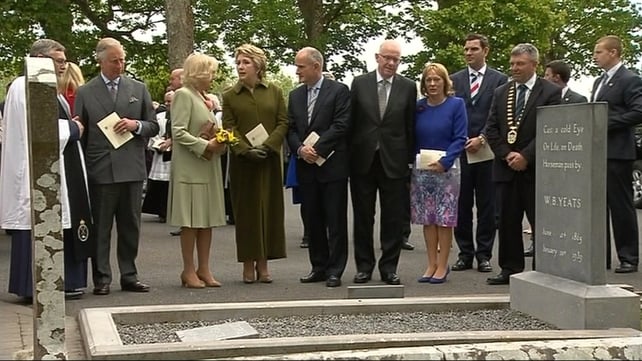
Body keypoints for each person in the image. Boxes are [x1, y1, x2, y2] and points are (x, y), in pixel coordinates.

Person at [0, 39, 92, 300]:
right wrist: (75, 129)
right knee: (40, 223)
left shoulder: (50, 87)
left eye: (64, 61)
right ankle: (37, 285)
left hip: (61, 167)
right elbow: (40, 129)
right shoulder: (27, 85)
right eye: (58, 60)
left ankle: (64, 282)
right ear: (39, 59)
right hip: (38, 171)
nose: (64, 66)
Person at [74, 37, 159, 295]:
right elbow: (81, 133)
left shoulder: (138, 88)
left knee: (130, 224)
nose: (119, 65)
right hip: (101, 168)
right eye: (114, 61)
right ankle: (101, 278)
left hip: (131, 167)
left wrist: (136, 126)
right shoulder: (85, 92)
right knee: (101, 227)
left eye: (122, 59)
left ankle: (129, 275)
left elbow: (153, 125)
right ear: (100, 61)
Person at [485, 43, 562, 285]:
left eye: (520, 64)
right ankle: (509, 268)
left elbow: (551, 130)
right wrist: (507, 154)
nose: (514, 68)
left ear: (534, 65)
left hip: (536, 170)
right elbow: (492, 128)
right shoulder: (501, 92)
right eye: (512, 63)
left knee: (540, 221)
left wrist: (526, 156)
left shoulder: (550, 92)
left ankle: (543, 269)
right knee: (506, 221)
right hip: (506, 168)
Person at [349, 39, 417, 285]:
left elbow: (410, 127)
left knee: (393, 219)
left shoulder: (408, 87)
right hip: (363, 162)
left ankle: (389, 268)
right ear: (377, 57)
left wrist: (410, 163)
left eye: (395, 59)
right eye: (387, 58)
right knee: (363, 218)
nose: (390, 63)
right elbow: (351, 123)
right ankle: (364, 267)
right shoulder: (359, 83)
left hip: (395, 163)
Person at [222, 43, 288, 284]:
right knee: (247, 213)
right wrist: (244, 150)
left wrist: (268, 146)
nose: (240, 66)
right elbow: (228, 128)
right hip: (243, 162)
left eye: (245, 62)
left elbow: (283, 122)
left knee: (269, 211)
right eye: (238, 62)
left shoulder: (274, 91)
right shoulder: (229, 95)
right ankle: (248, 264)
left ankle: (264, 264)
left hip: (269, 160)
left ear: (258, 65)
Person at [287, 47, 351, 288]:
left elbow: (341, 124)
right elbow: (290, 128)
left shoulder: (339, 91)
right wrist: (301, 150)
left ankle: (336, 269)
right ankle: (318, 266)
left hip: (332, 166)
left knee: (335, 220)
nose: (297, 71)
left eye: (301, 67)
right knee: (312, 219)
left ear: (316, 66)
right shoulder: (295, 96)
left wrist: (318, 149)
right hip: (307, 167)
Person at [519, 59, 589, 258]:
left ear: (556, 77)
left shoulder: (578, 99)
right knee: (540, 207)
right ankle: (538, 241)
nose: (544, 78)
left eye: (547, 75)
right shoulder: (539, 96)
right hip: (543, 161)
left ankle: (568, 244)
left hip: (567, 163)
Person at [167, 53, 226, 289]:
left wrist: (219, 139)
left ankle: (204, 268)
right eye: (210, 72)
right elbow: (178, 132)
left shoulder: (204, 98)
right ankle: (188, 270)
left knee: (206, 220)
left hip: (207, 166)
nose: (213, 77)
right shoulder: (183, 95)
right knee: (190, 222)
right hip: (190, 169)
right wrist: (205, 145)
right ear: (200, 73)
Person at [450, 33, 508, 273]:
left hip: (486, 151)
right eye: (466, 49)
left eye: (474, 49)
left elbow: (498, 114)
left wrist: (482, 138)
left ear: (486, 51)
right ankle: (465, 253)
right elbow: (451, 113)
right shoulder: (454, 80)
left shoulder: (499, 80)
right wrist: (461, 139)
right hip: (461, 150)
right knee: (461, 205)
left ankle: (484, 254)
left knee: (487, 205)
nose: (468, 53)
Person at [413, 63, 467, 284]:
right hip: (422, 170)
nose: (433, 84)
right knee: (428, 219)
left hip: (447, 170)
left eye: (437, 79)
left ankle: (443, 264)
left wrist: (445, 161)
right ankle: (431, 263)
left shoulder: (456, 105)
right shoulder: (419, 107)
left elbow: (460, 137)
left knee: (444, 219)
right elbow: (412, 137)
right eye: (428, 80)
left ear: (445, 82)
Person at [591, 35, 642, 273]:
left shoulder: (630, 79)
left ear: (613, 52)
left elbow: (637, 112)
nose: (594, 56)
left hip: (618, 152)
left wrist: (605, 122)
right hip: (599, 152)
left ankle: (628, 256)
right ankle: (601, 256)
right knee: (598, 206)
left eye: (599, 51)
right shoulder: (599, 81)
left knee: (621, 206)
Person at [141, 90, 174, 223]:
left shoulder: (180, 115)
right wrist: (158, 143)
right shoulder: (159, 116)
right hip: (159, 152)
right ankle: (159, 210)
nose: (167, 104)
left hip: (173, 154)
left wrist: (171, 142)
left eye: (170, 101)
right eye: (165, 101)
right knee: (158, 184)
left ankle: (169, 211)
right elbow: (153, 130)